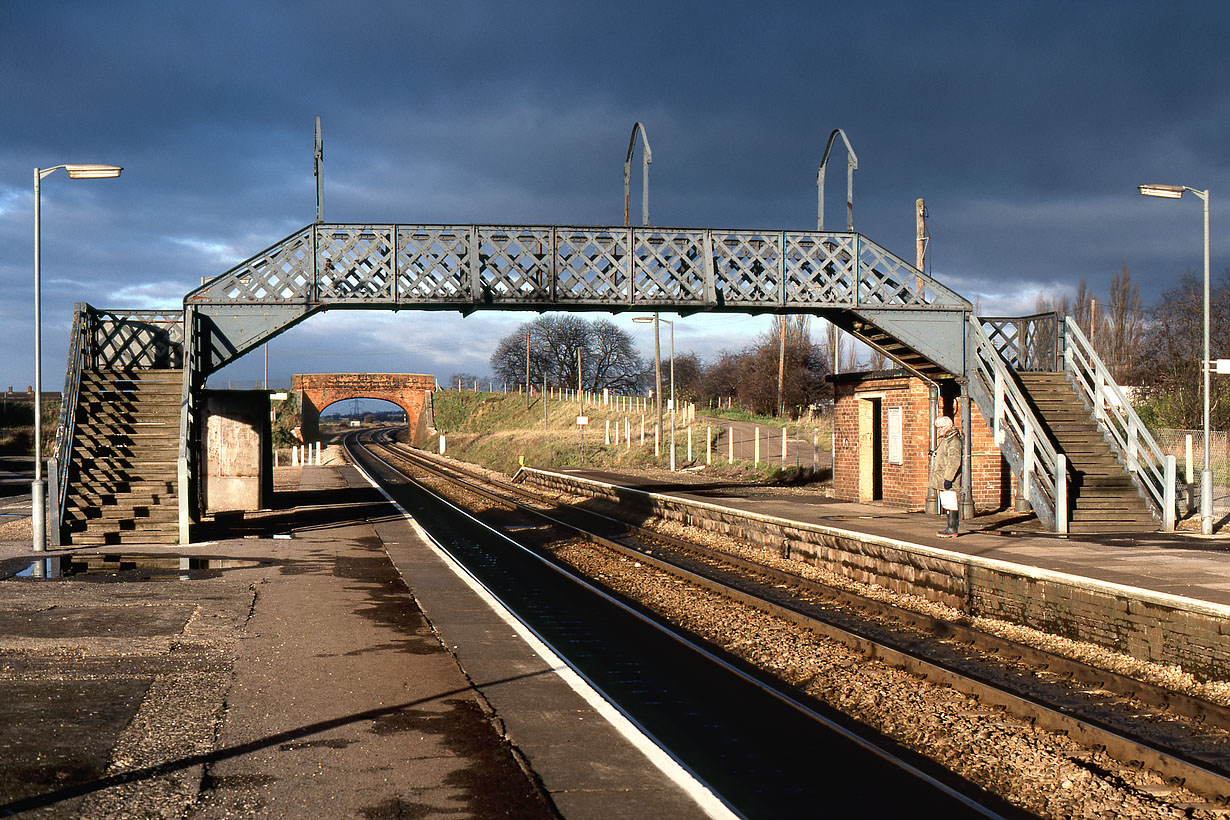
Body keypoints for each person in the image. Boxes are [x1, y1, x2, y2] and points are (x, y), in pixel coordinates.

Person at [929, 415, 963, 538]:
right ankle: (950, 527)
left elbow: (954, 461)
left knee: (950, 502)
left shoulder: (953, 441)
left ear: (948, 426)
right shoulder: (946, 440)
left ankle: (952, 528)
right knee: (946, 502)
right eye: (938, 428)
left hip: (947, 478)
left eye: (941, 427)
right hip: (942, 476)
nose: (939, 430)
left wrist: (948, 478)